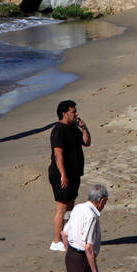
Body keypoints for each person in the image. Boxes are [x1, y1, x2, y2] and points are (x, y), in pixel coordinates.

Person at [48, 99, 91, 251]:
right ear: (64, 114)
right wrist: (63, 175)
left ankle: (67, 237)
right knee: (62, 207)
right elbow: (58, 155)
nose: (76, 114)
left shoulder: (73, 128)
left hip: (74, 173)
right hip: (61, 174)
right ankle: (56, 241)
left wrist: (84, 129)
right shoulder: (59, 130)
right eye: (73, 112)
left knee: (70, 207)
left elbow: (86, 142)